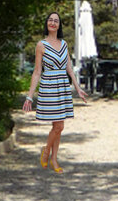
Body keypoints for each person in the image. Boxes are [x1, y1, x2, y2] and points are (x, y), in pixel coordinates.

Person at [22, 11, 83, 171]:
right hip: (49, 86)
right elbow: (37, 71)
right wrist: (29, 96)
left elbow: (69, 67)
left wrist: (77, 87)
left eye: (56, 21)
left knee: (59, 125)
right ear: (47, 23)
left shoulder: (64, 44)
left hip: (62, 86)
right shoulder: (41, 45)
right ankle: (47, 151)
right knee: (58, 126)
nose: (53, 23)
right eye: (50, 20)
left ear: (59, 25)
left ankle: (54, 159)